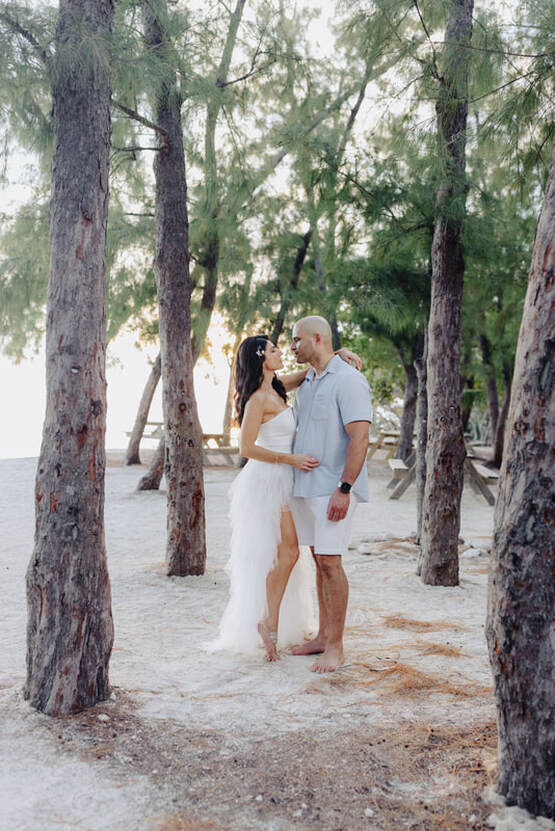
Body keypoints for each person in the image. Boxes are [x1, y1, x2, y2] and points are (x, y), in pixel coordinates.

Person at [209, 334, 360, 661]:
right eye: (275, 350)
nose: (282, 353)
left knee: (291, 553)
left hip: (285, 480)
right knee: (289, 552)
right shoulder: (256, 400)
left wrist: (340, 352)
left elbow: (314, 369)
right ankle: (268, 622)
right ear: (261, 357)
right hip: (266, 481)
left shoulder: (277, 387)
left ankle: (271, 622)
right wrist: (290, 459)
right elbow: (246, 448)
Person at [289, 316, 372, 673]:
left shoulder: (350, 380)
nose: (292, 347)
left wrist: (345, 488)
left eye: (296, 340)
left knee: (330, 562)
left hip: (335, 488)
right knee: (318, 559)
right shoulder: (307, 381)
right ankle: (323, 636)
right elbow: (266, 384)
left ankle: (336, 647)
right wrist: (331, 354)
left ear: (316, 337)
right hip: (307, 488)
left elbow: (360, 438)